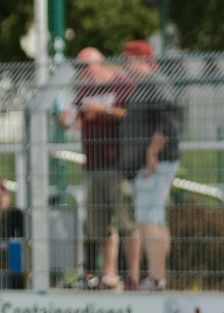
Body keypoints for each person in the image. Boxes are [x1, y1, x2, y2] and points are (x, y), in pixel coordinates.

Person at [61, 48, 130, 289]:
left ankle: (131, 276)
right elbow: (72, 120)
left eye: (86, 67)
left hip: (118, 164)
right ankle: (108, 274)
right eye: (79, 69)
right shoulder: (84, 90)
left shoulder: (122, 83)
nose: (83, 73)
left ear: (100, 63)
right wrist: (67, 117)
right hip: (92, 164)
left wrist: (105, 110)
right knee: (99, 224)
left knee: (125, 222)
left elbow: (132, 116)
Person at [118, 40, 180, 291]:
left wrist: (153, 152)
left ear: (141, 59)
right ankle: (158, 277)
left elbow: (167, 122)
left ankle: (156, 279)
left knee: (148, 218)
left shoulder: (156, 83)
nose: (125, 65)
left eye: (128, 59)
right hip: (144, 163)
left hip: (155, 164)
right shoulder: (143, 86)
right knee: (157, 218)